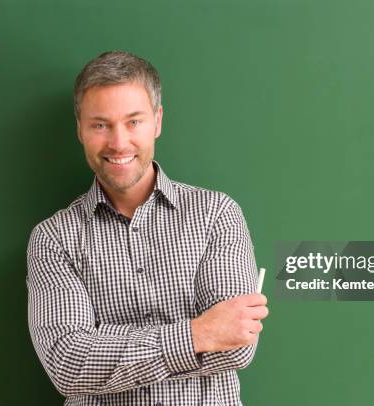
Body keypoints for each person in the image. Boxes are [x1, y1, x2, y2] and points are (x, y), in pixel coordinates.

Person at [26, 50, 269, 406]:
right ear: (79, 128)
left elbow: (236, 348)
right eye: (100, 124)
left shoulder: (216, 214)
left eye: (133, 122)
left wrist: (105, 341)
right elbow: (68, 364)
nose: (119, 142)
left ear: (157, 121)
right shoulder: (53, 238)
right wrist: (197, 334)